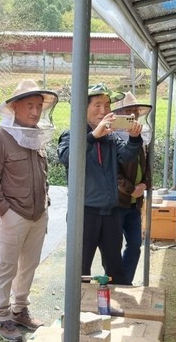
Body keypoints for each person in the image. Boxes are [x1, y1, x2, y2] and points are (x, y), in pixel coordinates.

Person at [0, 79, 58, 342]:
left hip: (38, 213)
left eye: (39, 106)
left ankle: (20, 309)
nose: (35, 111)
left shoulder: (37, 135)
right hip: (12, 214)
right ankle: (1, 316)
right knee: (6, 266)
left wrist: (45, 204)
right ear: (14, 106)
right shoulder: (1, 136)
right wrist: (3, 210)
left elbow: (43, 174)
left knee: (29, 264)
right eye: (30, 106)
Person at [57, 83, 142, 285]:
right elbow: (67, 158)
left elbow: (126, 156)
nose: (104, 110)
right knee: (80, 268)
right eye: (97, 105)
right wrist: (93, 136)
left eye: (107, 105)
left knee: (114, 267)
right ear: (83, 108)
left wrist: (134, 139)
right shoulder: (72, 135)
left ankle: (116, 299)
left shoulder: (111, 137)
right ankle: (77, 304)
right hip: (84, 214)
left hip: (111, 212)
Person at [109, 91, 152, 284]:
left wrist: (145, 184)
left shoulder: (140, 136)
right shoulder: (112, 138)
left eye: (135, 110)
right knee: (113, 247)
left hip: (135, 204)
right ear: (119, 114)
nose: (133, 114)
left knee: (135, 244)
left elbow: (147, 165)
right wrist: (129, 189)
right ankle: (114, 283)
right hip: (117, 202)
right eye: (128, 111)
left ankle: (125, 282)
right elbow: (111, 172)